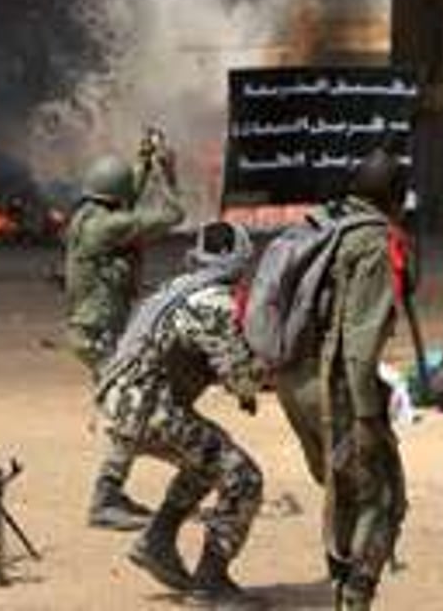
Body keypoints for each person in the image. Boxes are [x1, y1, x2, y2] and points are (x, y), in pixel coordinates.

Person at [96, 221, 265, 598]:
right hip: (146, 408)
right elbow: (244, 380)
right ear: (241, 261)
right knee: (244, 478)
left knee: (207, 457)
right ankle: (211, 581)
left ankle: (156, 541)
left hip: (120, 403)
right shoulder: (214, 302)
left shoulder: (177, 287)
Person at [275, 149, 410, 610]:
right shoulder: (373, 241)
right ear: (395, 196)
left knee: (346, 491)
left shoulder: (326, 224)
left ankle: (341, 590)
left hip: (294, 382)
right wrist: (370, 415)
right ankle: (353, 600)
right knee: (384, 497)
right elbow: (360, 341)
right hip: (336, 391)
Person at [64, 137, 185, 530]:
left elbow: (124, 190)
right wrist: (167, 174)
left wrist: (143, 160)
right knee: (133, 409)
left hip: (92, 332)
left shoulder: (88, 215)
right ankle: (105, 500)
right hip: (101, 336)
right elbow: (172, 214)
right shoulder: (110, 226)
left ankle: (112, 492)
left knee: (130, 409)